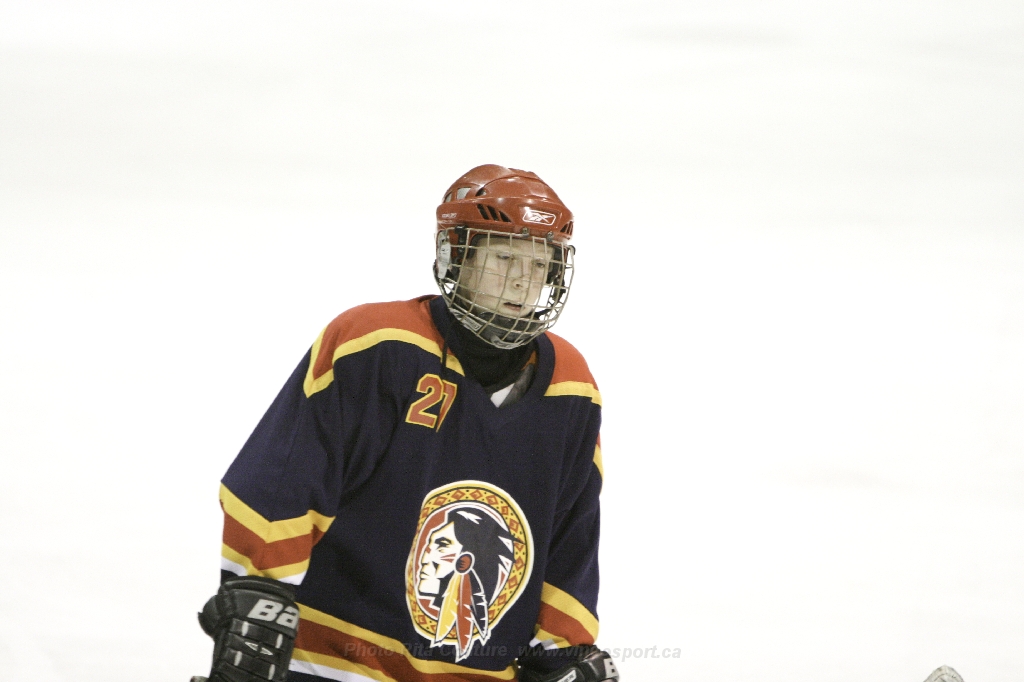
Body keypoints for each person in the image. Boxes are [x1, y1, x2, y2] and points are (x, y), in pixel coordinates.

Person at [195, 165, 619, 682]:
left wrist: (562, 650)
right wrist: (258, 592)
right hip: (330, 663)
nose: (522, 280)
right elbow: (286, 475)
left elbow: (571, 533)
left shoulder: (570, 387)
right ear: (456, 256)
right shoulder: (378, 344)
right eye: (505, 257)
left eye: (540, 264)